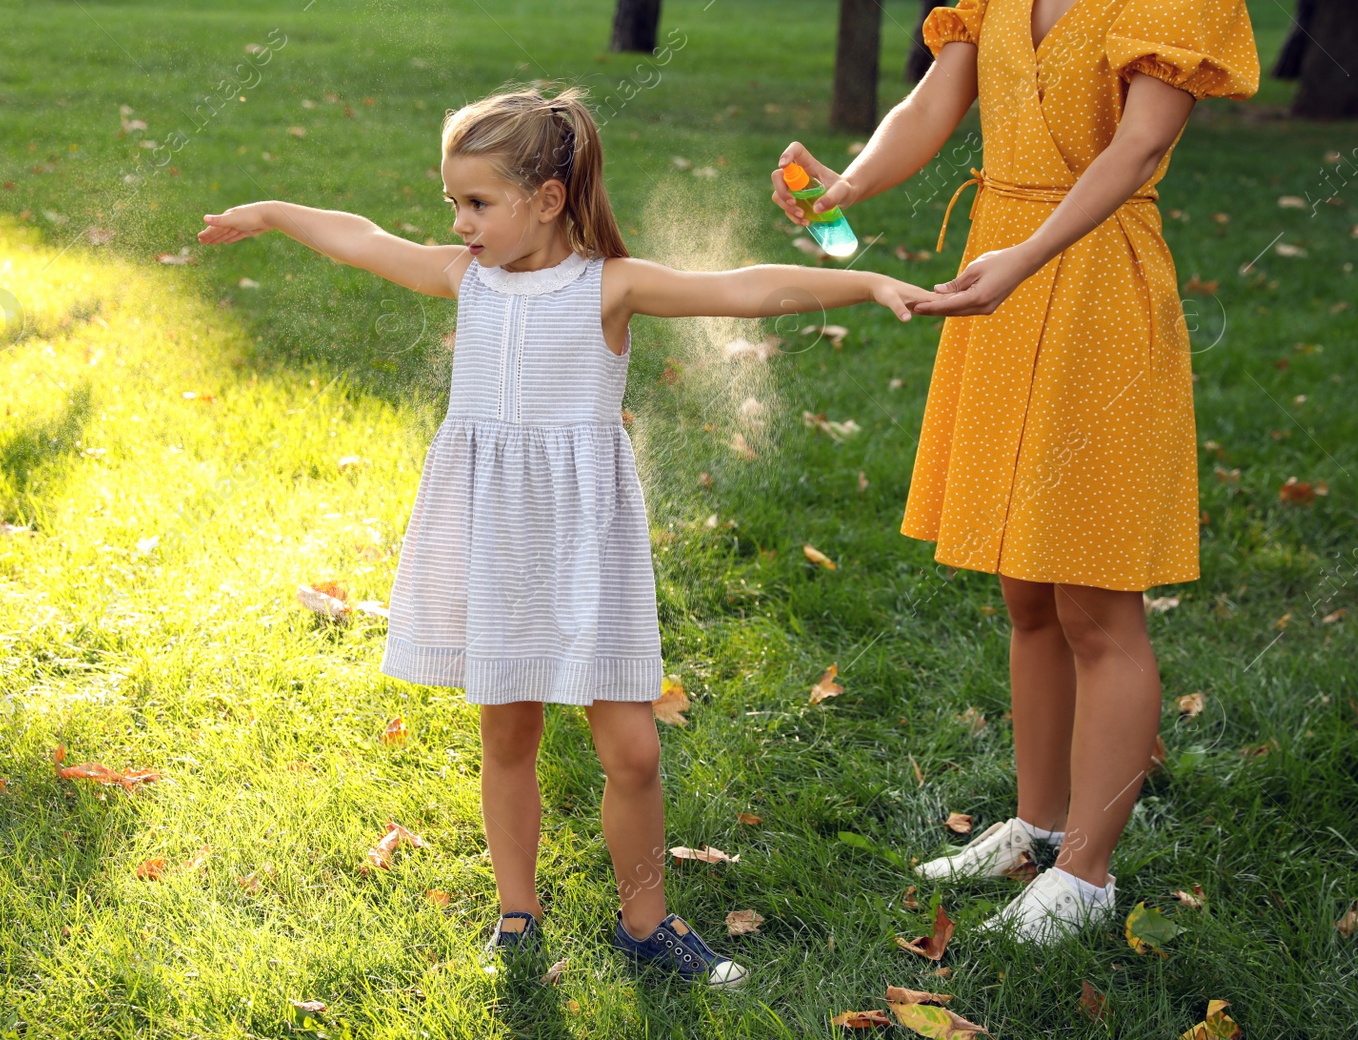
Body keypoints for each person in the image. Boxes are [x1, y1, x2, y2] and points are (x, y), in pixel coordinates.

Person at [201, 85, 932, 983]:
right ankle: (517, 915)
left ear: (546, 199)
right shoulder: (464, 278)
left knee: (630, 748)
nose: (460, 224)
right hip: (494, 536)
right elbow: (362, 238)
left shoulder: (607, 287)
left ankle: (648, 925)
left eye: (477, 204)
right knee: (507, 736)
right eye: (453, 205)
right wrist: (271, 213)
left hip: (586, 546)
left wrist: (863, 279)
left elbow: (740, 289)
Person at [771, 0, 1258, 943]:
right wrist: (846, 188)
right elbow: (927, 106)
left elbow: (1140, 148)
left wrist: (1028, 254)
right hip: (1002, 279)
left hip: (1093, 289)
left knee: (1095, 602)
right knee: (1026, 590)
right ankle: (1038, 830)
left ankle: (1086, 876)